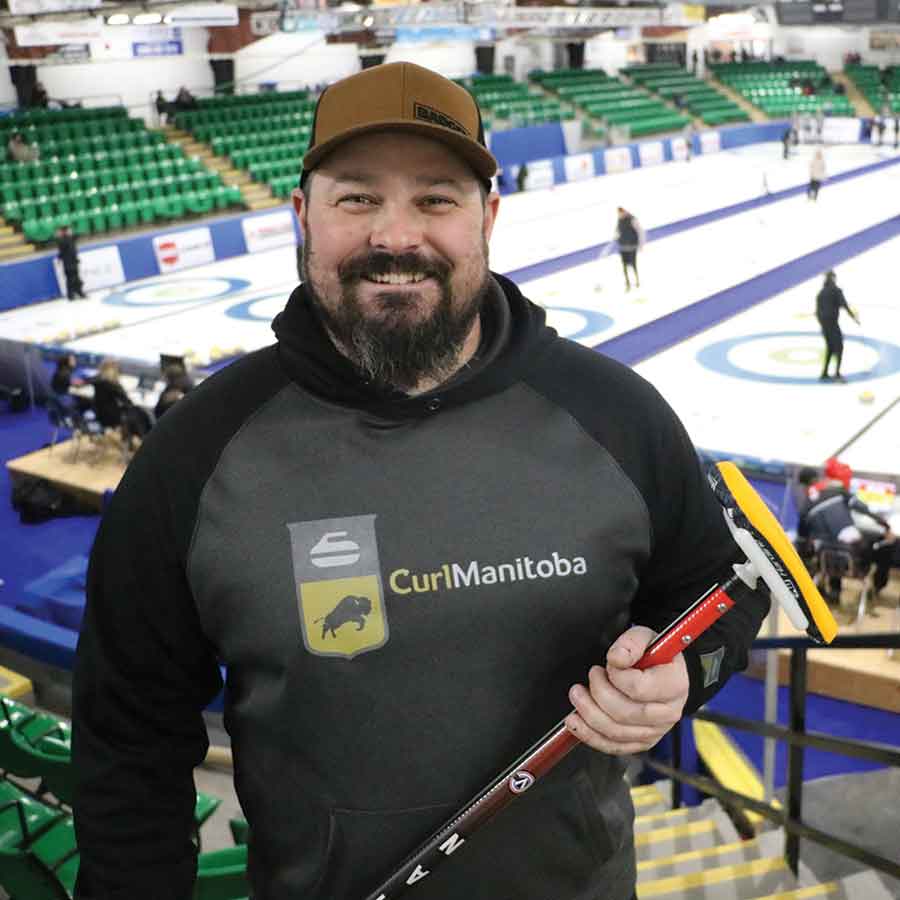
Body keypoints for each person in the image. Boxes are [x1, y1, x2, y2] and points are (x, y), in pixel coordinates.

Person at [71, 61, 770, 900]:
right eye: (357, 198)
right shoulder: (196, 453)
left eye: (436, 198)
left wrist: (683, 677)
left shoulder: (617, 414)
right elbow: (128, 740)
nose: (396, 237)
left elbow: (723, 595)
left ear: (489, 219)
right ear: (303, 216)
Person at [797, 464, 895, 605]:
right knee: (885, 545)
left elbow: (802, 540)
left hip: (827, 560)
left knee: (832, 545)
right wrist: (885, 525)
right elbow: (862, 508)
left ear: (803, 485)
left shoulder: (805, 507)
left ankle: (834, 593)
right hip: (856, 562)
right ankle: (878, 587)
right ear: (818, 478)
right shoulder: (837, 490)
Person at [815, 269, 858, 382]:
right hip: (832, 323)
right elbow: (844, 305)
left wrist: (822, 324)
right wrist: (854, 318)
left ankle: (824, 373)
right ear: (833, 278)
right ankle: (837, 374)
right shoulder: (836, 291)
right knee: (839, 346)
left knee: (830, 347)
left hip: (824, 325)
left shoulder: (821, 293)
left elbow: (817, 312)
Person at [615, 206, 644, 291]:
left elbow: (640, 231)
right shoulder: (619, 220)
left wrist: (641, 245)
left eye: (621, 213)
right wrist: (616, 236)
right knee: (624, 266)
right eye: (619, 214)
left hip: (632, 247)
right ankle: (627, 283)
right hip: (623, 247)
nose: (620, 215)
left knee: (633, 264)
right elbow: (617, 230)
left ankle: (637, 280)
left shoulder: (632, 219)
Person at [55, 225, 86, 300]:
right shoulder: (62, 240)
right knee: (70, 279)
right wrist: (59, 235)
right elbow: (61, 250)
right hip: (68, 263)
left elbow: (78, 235)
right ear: (65, 232)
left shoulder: (71, 238)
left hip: (74, 261)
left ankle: (79, 292)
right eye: (69, 230)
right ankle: (71, 295)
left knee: (76, 278)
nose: (70, 231)